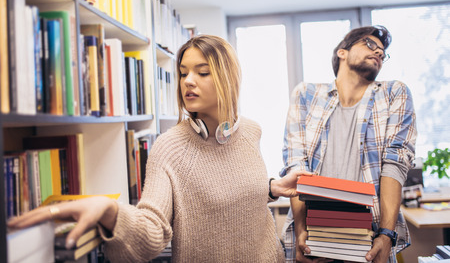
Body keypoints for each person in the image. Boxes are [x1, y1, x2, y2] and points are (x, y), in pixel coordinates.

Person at [8, 34, 311, 262]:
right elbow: (151, 232)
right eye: (183, 73)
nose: (188, 81)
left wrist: (271, 187)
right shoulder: (170, 147)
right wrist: (110, 212)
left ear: (228, 79)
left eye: (202, 72)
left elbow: (232, 189)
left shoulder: (250, 131)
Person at [279, 26, 417, 263]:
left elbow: (395, 163)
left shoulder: (394, 93)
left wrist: (386, 235)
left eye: (384, 53)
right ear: (342, 51)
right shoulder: (306, 95)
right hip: (315, 234)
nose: (379, 53)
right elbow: (295, 164)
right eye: (370, 44)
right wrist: (302, 230)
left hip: (370, 236)